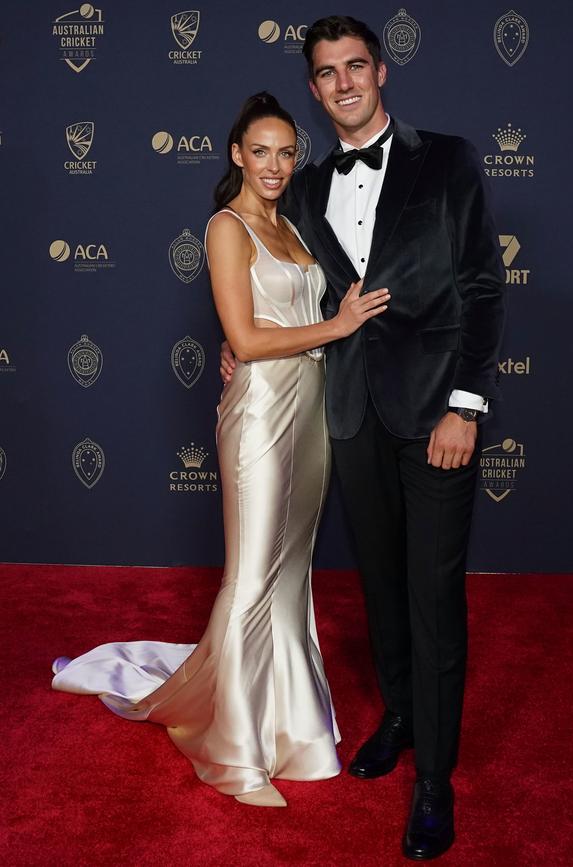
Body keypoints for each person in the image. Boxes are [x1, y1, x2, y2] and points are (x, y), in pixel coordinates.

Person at [51, 92, 389, 808]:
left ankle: (293, 729)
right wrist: (338, 325)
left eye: (286, 152)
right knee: (250, 577)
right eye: (260, 151)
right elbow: (246, 341)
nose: (274, 165)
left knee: (290, 574)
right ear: (237, 153)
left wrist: (325, 329)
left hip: (310, 414)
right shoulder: (227, 227)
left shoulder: (294, 223)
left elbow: (273, 317)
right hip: (262, 414)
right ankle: (235, 754)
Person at [220, 16, 505, 858]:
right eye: (326, 73)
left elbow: (483, 287)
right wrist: (235, 349)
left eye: (355, 66)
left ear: (380, 71)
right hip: (345, 414)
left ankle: (434, 781)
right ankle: (403, 717)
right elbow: (264, 267)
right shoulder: (302, 188)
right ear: (314, 89)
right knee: (380, 586)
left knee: (433, 595)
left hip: (436, 417)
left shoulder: (447, 159)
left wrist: (467, 404)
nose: (343, 83)